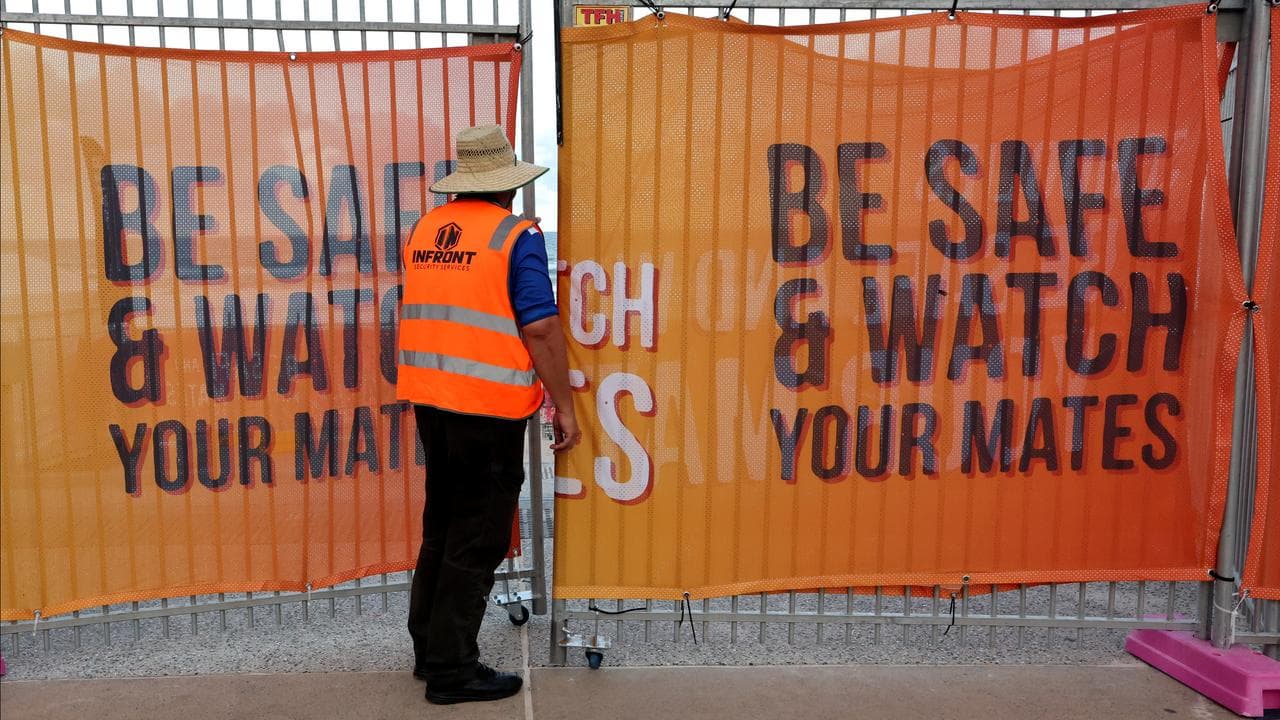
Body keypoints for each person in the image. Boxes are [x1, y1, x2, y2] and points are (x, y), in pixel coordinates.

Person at [396, 124, 580, 705]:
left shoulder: (426, 229)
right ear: (506, 186)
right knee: (478, 536)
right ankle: (453, 670)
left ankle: (429, 649)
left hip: (433, 399)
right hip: (489, 407)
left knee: (443, 525)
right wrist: (565, 406)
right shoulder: (514, 235)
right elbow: (542, 325)